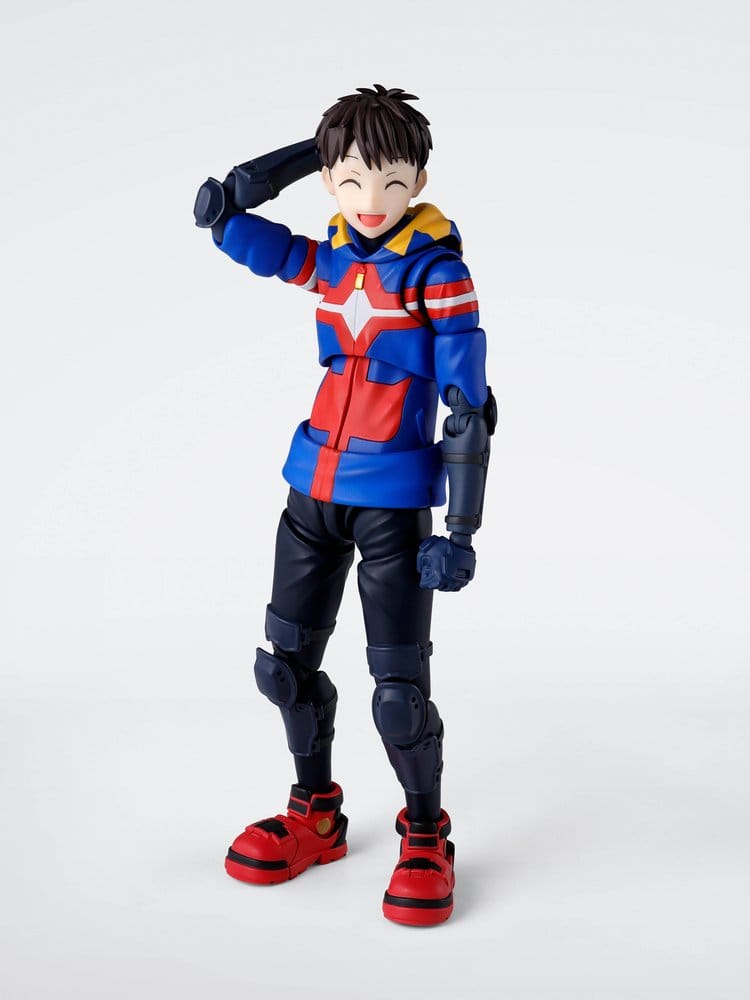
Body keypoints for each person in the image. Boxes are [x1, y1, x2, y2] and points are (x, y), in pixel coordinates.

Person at [195, 84, 495, 926]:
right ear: (331, 182)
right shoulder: (329, 258)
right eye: (353, 179)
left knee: (398, 691)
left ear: (420, 182)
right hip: (312, 487)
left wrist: (461, 529)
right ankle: (315, 812)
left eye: (392, 180)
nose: (371, 199)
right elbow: (229, 224)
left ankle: (426, 833)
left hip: (393, 501)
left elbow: (468, 407)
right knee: (284, 666)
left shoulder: (438, 274)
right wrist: (317, 148)